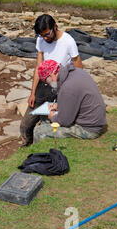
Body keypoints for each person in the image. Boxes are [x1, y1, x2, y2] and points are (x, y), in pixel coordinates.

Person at [20, 14, 83, 146]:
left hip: (59, 88)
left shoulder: (68, 41)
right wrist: (33, 93)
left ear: (55, 27)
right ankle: (27, 146)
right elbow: (39, 67)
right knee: (25, 125)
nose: (45, 38)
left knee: (50, 123)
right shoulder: (41, 40)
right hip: (42, 87)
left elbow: (77, 64)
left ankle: (46, 147)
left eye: (47, 34)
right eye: (42, 35)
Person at [33, 60, 106, 144]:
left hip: (89, 129)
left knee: (39, 131)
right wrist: (58, 106)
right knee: (44, 118)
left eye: (47, 81)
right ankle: (47, 145)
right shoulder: (77, 72)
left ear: (52, 75)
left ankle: (39, 154)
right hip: (94, 120)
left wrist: (52, 117)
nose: (50, 85)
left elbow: (64, 121)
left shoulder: (67, 88)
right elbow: (75, 100)